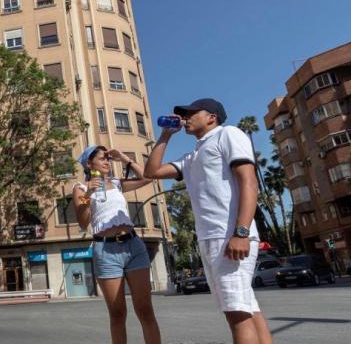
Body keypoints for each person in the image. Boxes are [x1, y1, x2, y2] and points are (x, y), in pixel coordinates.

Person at [144, 98, 275, 344]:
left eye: (192, 112)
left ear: (211, 117)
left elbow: (249, 181)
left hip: (229, 236)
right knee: (247, 309)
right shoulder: (192, 156)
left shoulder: (228, 134)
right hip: (210, 238)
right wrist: (165, 136)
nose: (186, 117)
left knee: (237, 315)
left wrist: (242, 232)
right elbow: (151, 172)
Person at [73, 145, 161, 344]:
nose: (107, 162)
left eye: (108, 159)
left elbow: (147, 178)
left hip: (133, 245)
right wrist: (89, 195)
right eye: (102, 158)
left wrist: (123, 157)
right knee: (118, 313)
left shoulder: (117, 183)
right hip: (106, 250)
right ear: (89, 163)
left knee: (145, 310)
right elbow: (83, 221)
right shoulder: (81, 188)